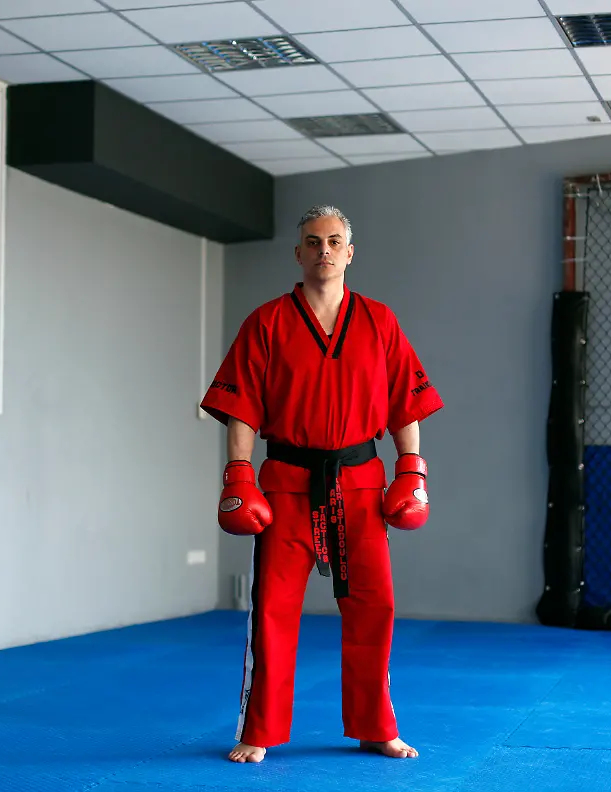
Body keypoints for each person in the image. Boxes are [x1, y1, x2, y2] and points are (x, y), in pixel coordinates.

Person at [200, 204, 443, 764]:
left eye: (335, 241)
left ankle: (375, 726)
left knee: (374, 608)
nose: (324, 251)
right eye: (313, 242)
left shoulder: (380, 321)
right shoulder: (265, 322)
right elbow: (242, 409)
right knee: (273, 610)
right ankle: (259, 729)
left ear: (350, 253)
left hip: (360, 484)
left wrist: (411, 467)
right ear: (299, 253)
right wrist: (238, 473)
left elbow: (404, 401)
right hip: (286, 483)